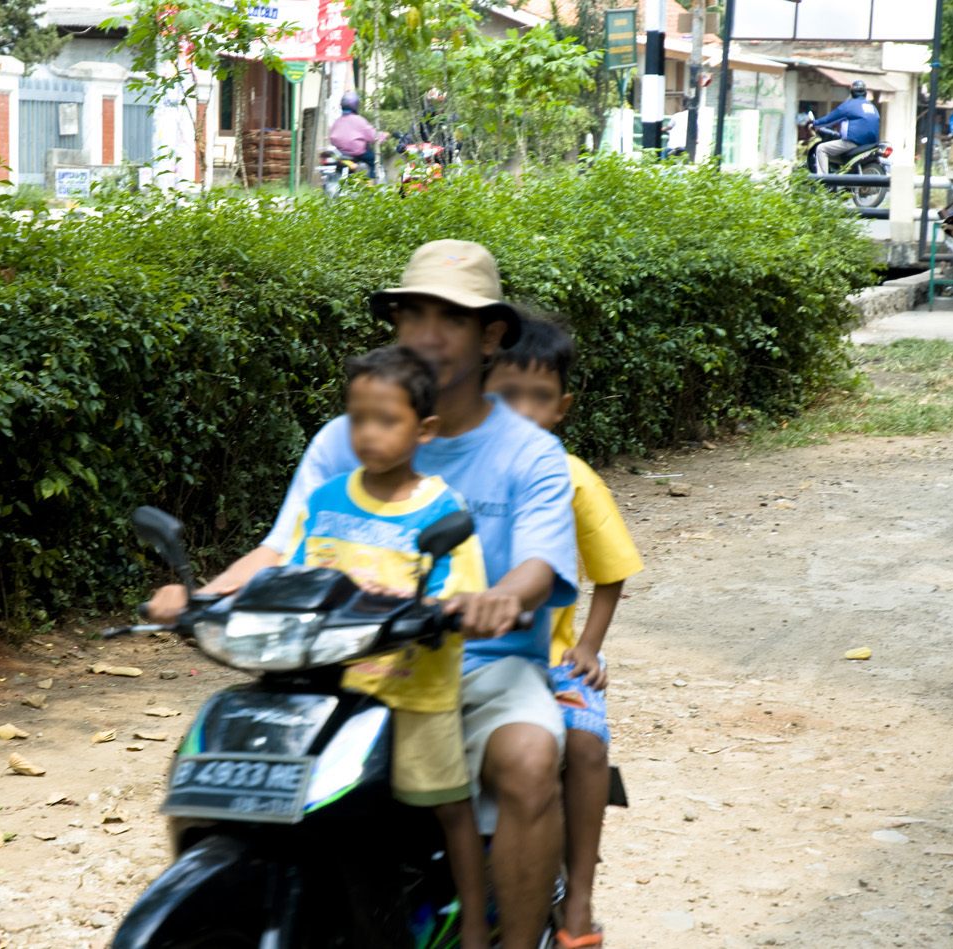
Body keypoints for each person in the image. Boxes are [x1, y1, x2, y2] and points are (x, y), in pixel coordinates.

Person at [149, 239, 579, 949]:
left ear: (491, 336)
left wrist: (498, 596)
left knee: (529, 755)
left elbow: (539, 564)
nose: (426, 333)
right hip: (341, 662)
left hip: (476, 662)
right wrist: (202, 593)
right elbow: (280, 547)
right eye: (411, 315)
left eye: (450, 317)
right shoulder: (343, 438)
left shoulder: (530, 452)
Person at [283, 344, 491, 949]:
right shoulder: (326, 501)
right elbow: (300, 573)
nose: (367, 433)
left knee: (449, 806)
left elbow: (460, 590)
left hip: (413, 693)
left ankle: (474, 925)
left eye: (386, 419)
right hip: (336, 687)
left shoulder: (440, 510)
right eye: (357, 417)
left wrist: (423, 602)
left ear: (424, 428)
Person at [484, 317, 644, 949]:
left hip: (547, 661)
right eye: (506, 394)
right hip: (460, 655)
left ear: (563, 407)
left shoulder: (572, 477)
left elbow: (611, 573)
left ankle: (577, 899)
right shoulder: (455, 468)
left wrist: (586, 649)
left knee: (584, 744)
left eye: (539, 396)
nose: (522, 411)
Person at [811, 80, 880, 175]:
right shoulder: (872, 107)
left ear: (851, 92)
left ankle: (823, 182)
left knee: (821, 148)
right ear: (865, 93)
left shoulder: (849, 105)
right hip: (869, 145)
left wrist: (814, 124)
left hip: (853, 143)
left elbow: (829, 120)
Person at [328, 90, 382, 180]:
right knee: (375, 160)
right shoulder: (359, 120)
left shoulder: (337, 121)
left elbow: (332, 137)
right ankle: (372, 185)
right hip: (356, 153)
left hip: (340, 153)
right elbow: (373, 136)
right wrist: (383, 136)